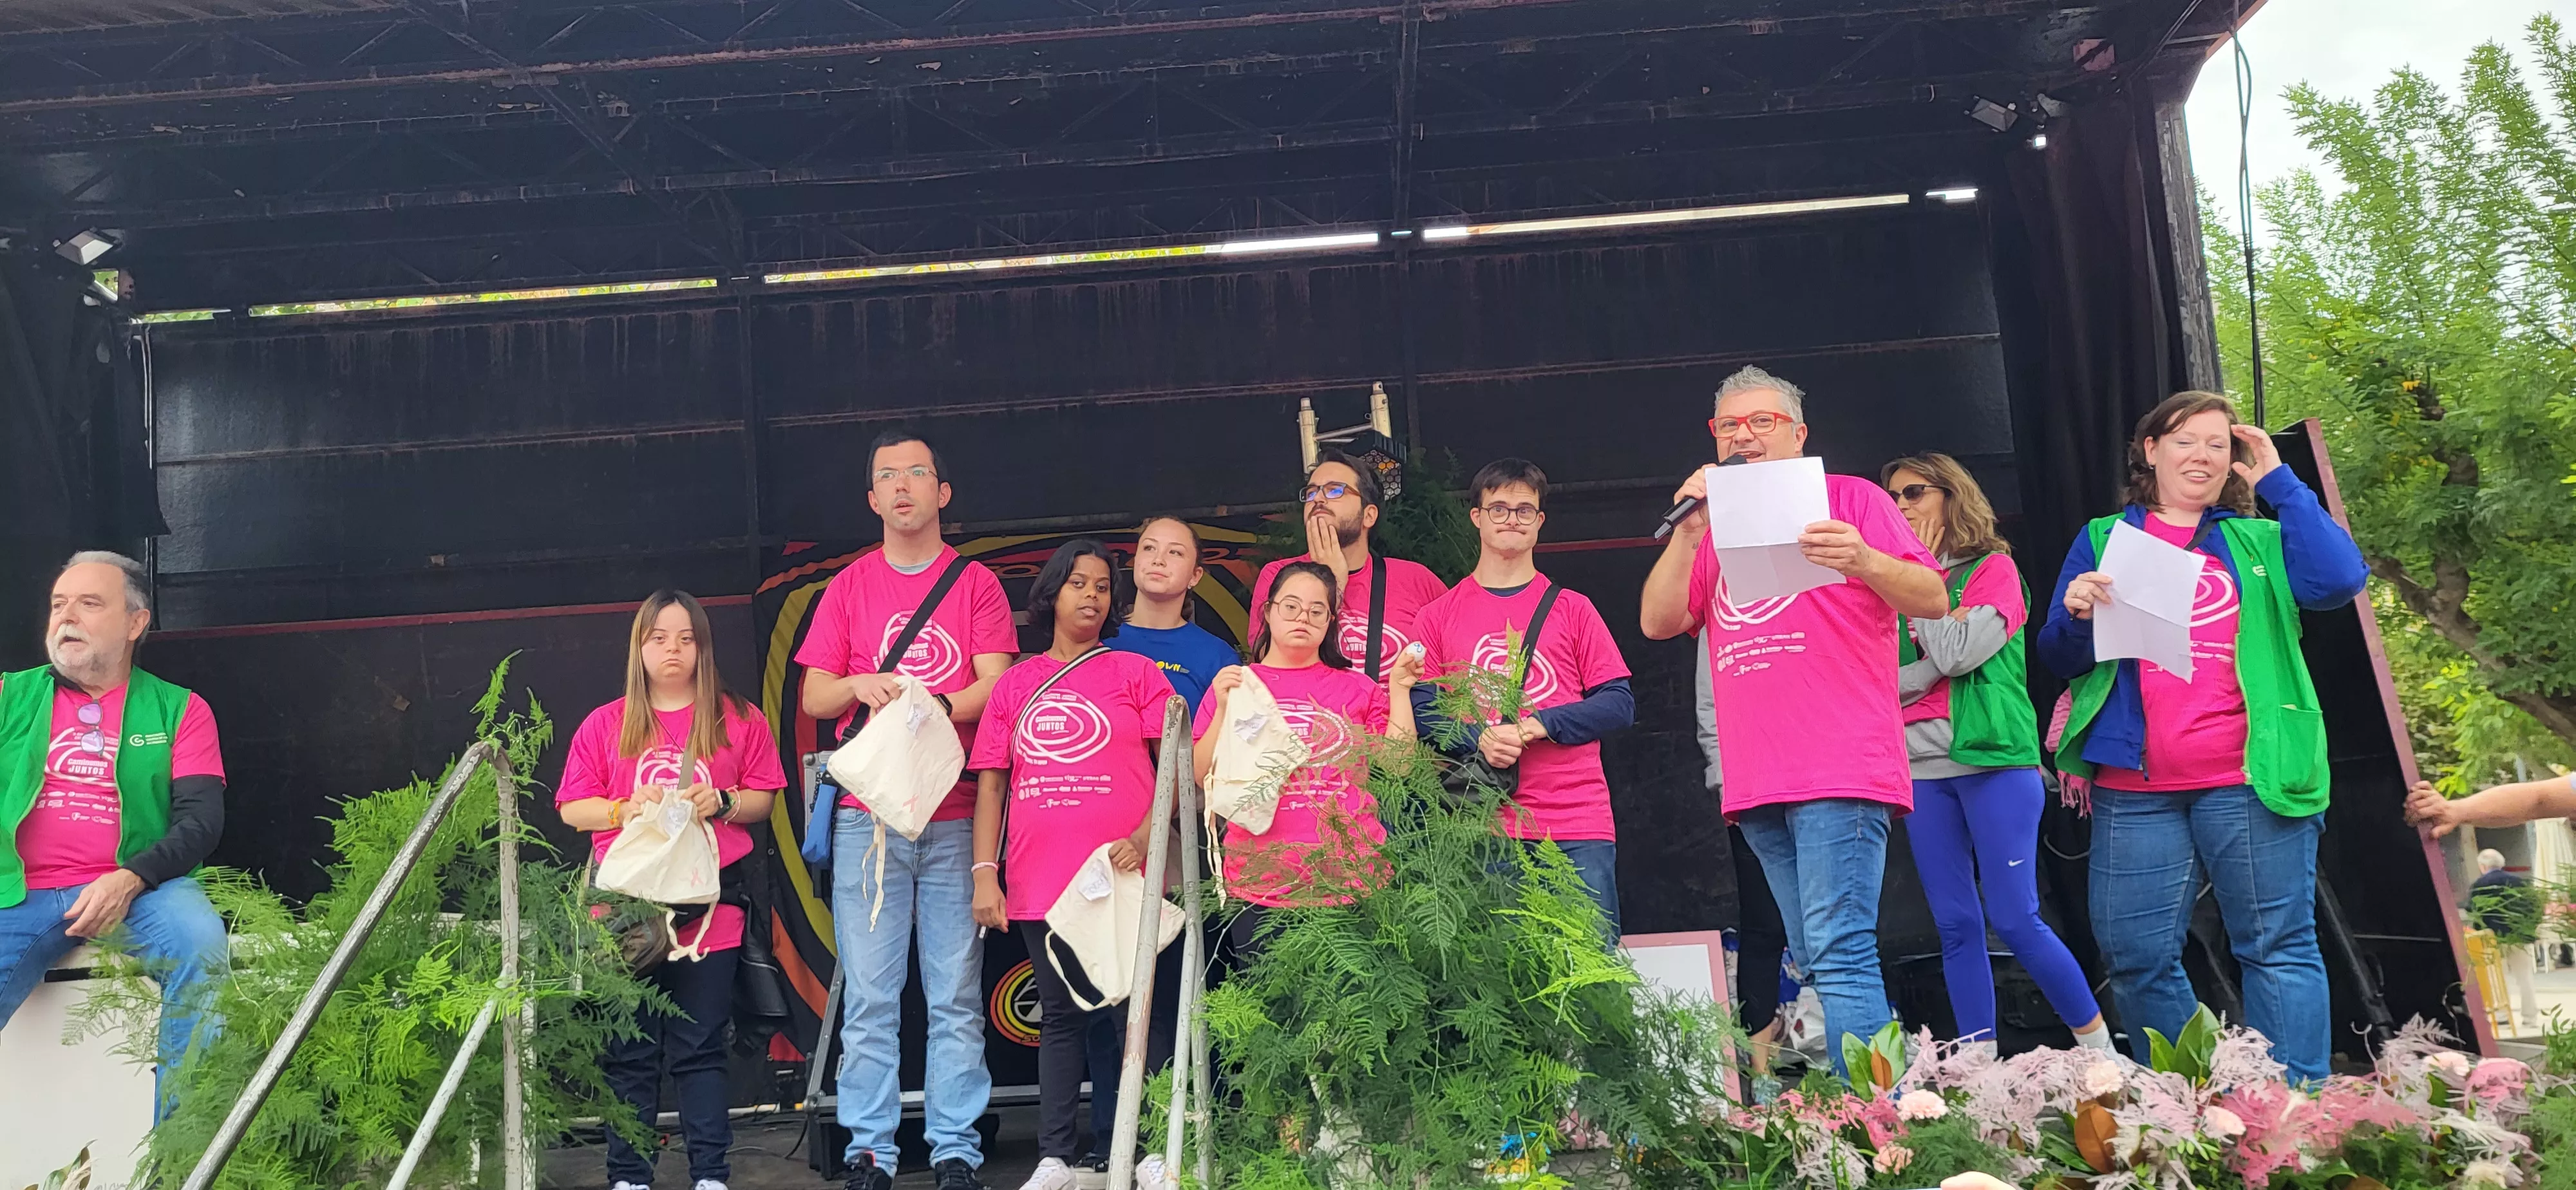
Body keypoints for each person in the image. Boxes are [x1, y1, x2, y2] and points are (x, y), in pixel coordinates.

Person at [2036, 390, 2367, 1084]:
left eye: (2219, 444)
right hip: (2137, 786)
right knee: (2132, 954)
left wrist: (2278, 479)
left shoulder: (2256, 540)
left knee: (2275, 946)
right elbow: (2059, 655)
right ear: (2149, 451)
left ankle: (2294, 1106)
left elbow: (2338, 582)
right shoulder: (2103, 538)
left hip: (2248, 777)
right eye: (2185, 440)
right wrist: (2073, 614)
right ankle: (2194, 1100)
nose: (2203, 455)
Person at [1639, 365, 1946, 1075]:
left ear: (1799, 434)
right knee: (1811, 954)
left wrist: (1864, 558)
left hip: (1838, 763)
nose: (1743, 436)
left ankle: (1880, 1134)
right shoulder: (1711, 526)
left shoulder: (1851, 499)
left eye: (1761, 422)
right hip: (1757, 776)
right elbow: (1659, 620)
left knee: (1840, 952)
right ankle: (1863, 1117)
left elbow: (1931, 595)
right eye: (1728, 426)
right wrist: (1688, 531)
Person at [795, 431, 1016, 1190]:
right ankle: (870, 1153)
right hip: (870, 817)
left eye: (917, 473)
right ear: (871, 499)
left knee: (955, 993)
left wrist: (940, 703)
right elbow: (813, 695)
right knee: (870, 996)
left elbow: (998, 683)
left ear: (941, 493)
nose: (902, 487)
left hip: (954, 813)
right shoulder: (850, 585)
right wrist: (861, 686)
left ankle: (956, 1148)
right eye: (887, 476)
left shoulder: (975, 584)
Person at [968, 540, 1184, 1190]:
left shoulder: (1135, 672)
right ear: (1050, 596)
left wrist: (1147, 839)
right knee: (1061, 1015)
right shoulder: (1014, 683)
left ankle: (1146, 1150)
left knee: (1133, 1012)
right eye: (1077, 584)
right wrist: (985, 871)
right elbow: (991, 787)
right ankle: (1056, 1157)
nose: (1090, 596)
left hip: (1124, 871)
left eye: (1100, 587)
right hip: (1041, 877)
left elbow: (1172, 764)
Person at [1882, 452, 2112, 1054]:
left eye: (1913, 493)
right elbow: (1880, 678)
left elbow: (1957, 654)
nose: (1901, 506)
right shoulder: (1889, 584)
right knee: (1955, 926)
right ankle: (1979, 1070)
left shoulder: (1993, 570)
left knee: (2015, 919)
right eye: (1893, 498)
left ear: (1951, 495)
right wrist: (1930, 656)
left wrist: (1925, 583)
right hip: (1921, 771)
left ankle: (2101, 1053)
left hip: (1994, 764)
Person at [556, 589, 785, 1190]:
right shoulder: (607, 723)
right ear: (639, 647)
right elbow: (570, 809)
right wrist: (621, 808)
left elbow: (764, 796)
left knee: (700, 1048)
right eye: (659, 637)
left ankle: (711, 1176)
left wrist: (724, 801)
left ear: (704, 647)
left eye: (686, 637)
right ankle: (628, 1177)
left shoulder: (738, 718)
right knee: (628, 1053)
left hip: (711, 914)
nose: (673, 649)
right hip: (624, 915)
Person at [0, 551, 229, 1117]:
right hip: (17, 890)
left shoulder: (180, 709)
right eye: (58, 605)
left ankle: (184, 1160)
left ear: (135, 623)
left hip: (141, 891)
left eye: (88, 603)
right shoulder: (9, 695)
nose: (66, 617)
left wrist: (129, 879)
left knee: (200, 945)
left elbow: (202, 822)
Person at [1412, 458, 1634, 932]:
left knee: (1591, 971)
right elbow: (1422, 709)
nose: (1511, 519)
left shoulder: (1574, 608)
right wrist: (1480, 738)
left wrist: (1537, 727)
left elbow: (1618, 702)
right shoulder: (1437, 616)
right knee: (1497, 979)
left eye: (1524, 510)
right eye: (1499, 508)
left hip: (1577, 821)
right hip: (1484, 820)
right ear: (1476, 517)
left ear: (1539, 522)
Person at [1192, 561, 1422, 955]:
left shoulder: (1357, 688)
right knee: (1267, 1012)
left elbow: (1400, 764)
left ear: (1330, 621)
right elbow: (1201, 776)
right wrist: (1226, 706)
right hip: (1261, 882)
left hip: (1350, 879)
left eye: (1318, 611)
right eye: (1291, 607)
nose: (1304, 618)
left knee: (1351, 1013)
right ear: (1268, 612)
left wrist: (1399, 690)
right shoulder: (1237, 684)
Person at [1249, 450, 1450, 681]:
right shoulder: (1278, 576)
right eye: (1312, 491)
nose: (1319, 499)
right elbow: (1269, 668)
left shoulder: (1416, 580)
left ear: (1369, 516)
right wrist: (1331, 583)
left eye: (1335, 490)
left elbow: (1457, 659)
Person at [1698, 643, 1792, 1074]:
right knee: (1764, 926)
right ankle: (1761, 1071)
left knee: (1834, 930)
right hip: (1752, 787)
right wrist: (1724, 779)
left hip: (1824, 780)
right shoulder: (1726, 604)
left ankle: (1852, 1074)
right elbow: (1710, 702)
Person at [1108, 516, 1244, 714]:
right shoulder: (1099, 640)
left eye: (1175, 552)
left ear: (1195, 576)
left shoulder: (1217, 657)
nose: (1158, 560)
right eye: (1149, 548)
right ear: (1135, 560)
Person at [2464, 849, 2542, 1032]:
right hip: (2519, 938)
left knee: (2498, 979)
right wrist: (2530, 928)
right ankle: (2530, 1018)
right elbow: (2535, 905)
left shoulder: (2479, 885)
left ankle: (2501, 1017)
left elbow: (2473, 911)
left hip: (2493, 938)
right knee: (2524, 978)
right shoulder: (2520, 882)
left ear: (2482, 866)